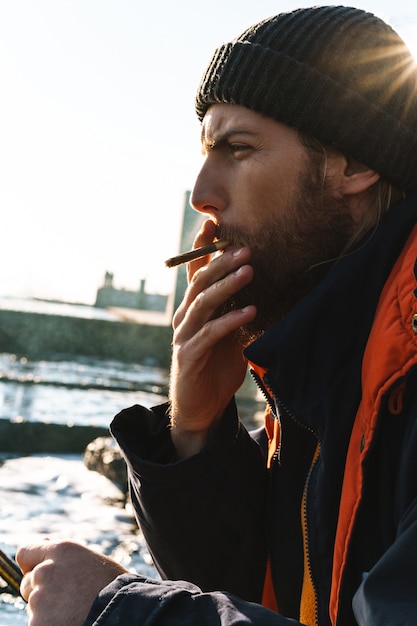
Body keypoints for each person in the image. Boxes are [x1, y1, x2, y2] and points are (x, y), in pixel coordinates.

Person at [16, 5, 417, 625]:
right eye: (206, 151)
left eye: (237, 148)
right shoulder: (324, 374)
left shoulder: (395, 366)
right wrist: (198, 435)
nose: (202, 191)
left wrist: (114, 613)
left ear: (356, 164)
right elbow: (266, 598)